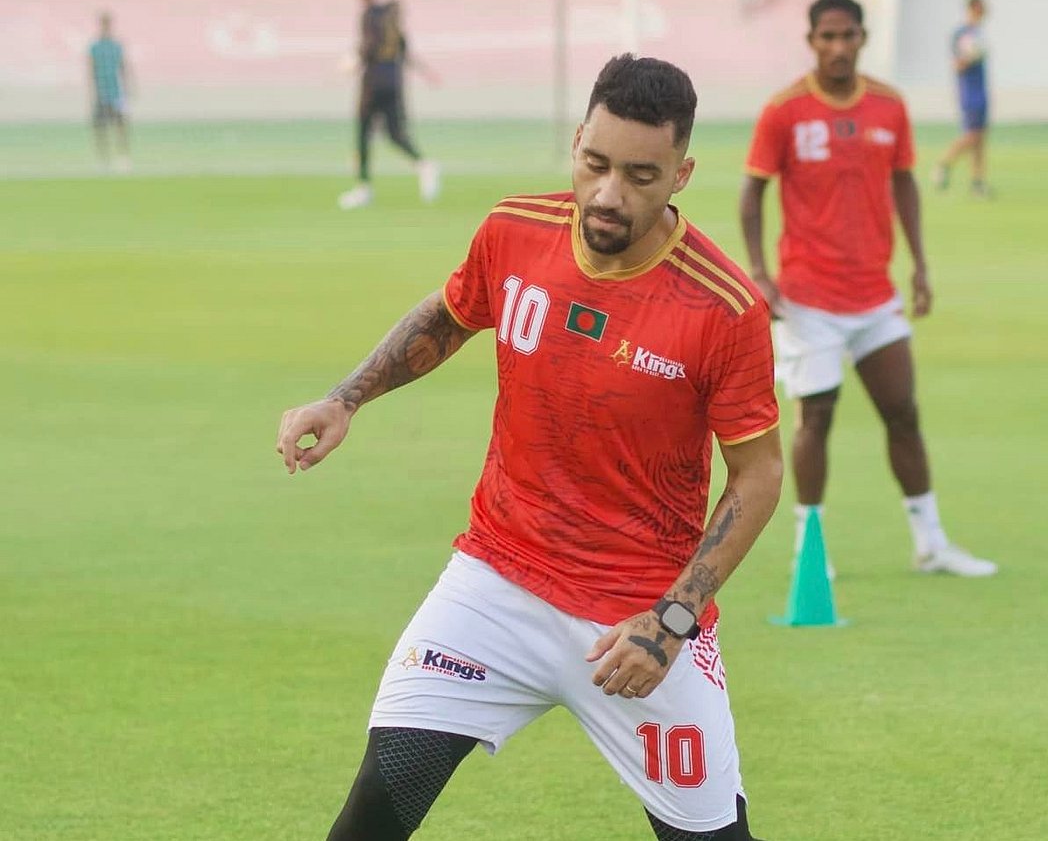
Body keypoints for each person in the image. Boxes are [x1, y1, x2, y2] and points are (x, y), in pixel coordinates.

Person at [279, 54, 782, 840]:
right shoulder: (515, 231)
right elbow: (451, 313)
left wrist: (671, 621)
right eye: (596, 164)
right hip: (493, 587)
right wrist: (346, 398)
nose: (609, 194)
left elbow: (758, 475)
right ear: (577, 142)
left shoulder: (724, 308)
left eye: (641, 176)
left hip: (638, 618)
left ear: (681, 175)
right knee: (370, 817)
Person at [738, 0, 997, 579]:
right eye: (827, 36)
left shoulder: (888, 106)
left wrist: (921, 263)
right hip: (808, 300)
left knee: (903, 412)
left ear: (863, 38)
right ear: (811, 40)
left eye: (848, 35)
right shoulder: (784, 110)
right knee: (816, 420)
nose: (838, 46)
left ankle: (931, 543)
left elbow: (904, 182)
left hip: (875, 296)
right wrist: (760, 274)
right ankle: (810, 551)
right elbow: (753, 193)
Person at [339, 0, 441, 209]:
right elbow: (404, 50)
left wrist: (353, 62)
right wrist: (426, 73)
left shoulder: (368, 15)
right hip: (394, 80)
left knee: (363, 133)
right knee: (394, 133)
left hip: (373, 82)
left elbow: (369, 48)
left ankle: (363, 188)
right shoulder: (390, 18)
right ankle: (424, 165)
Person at [932, 0, 991, 198]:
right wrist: (971, 56)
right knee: (972, 135)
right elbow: (957, 65)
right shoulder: (963, 33)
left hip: (981, 90)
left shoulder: (978, 32)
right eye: (981, 7)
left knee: (980, 138)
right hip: (969, 92)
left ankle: (977, 183)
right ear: (973, 8)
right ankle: (943, 164)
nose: (985, 10)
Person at [88, 12, 132, 172]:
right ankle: (103, 159)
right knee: (100, 128)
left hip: (116, 93)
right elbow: (91, 70)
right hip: (101, 92)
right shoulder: (95, 47)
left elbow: (123, 67)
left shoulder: (116, 46)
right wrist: (92, 92)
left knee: (121, 126)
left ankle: (123, 158)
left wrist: (127, 90)